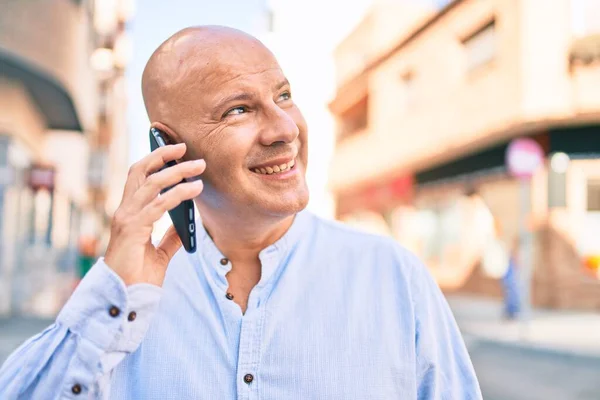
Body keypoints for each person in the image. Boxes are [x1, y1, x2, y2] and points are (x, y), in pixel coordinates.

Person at [0, 26, 482, 399]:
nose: (284, 129)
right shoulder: (123, 298)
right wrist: (113, 299)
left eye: (285, 96)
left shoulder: (393, 278)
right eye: (238, 110)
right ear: (168, 145)